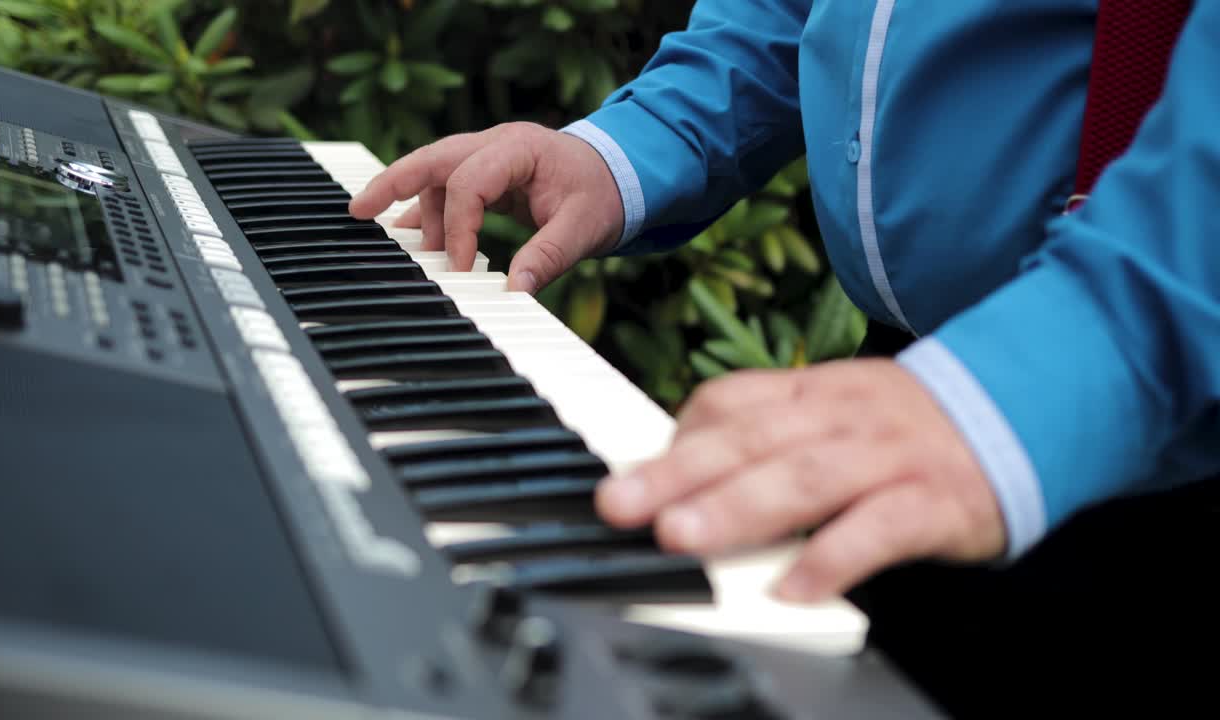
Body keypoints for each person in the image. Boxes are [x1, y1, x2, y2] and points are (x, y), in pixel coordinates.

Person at [350, 1, 1220, 714]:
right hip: (904, 418)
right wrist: (622, 153)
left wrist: (1050, 376)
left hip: (1148, 431)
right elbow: (792, 14)